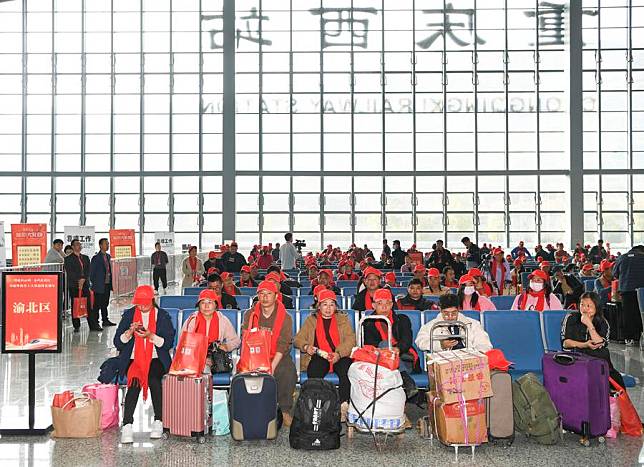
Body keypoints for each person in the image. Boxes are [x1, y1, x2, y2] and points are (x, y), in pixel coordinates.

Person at [114, 285, 176, 444]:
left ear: (152, 301)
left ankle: (159, 421)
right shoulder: (129, 315)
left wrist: (151, 336)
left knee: (154, 380)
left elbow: (167, 343)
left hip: (156, 358)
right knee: (134, 383)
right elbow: (118, 343)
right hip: (133, 359)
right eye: (139, 304)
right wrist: (128, 334)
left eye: (145, 303)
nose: (141, 307)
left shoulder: (161, 316)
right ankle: (127, 424)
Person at [241, 280, 297, 426]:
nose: (265, 297)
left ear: (276, 296)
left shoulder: (286, 317)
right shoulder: (250, 314)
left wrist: (271, 366)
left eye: (269, 294)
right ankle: (252, 409)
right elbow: (246, 338)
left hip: (278, 356)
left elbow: (283, 344)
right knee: (245, 372)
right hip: (255, 355)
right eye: (261, 294)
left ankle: (284, 410)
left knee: (287, 372)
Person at [294, 290, 356, 420]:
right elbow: (298, 339)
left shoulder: (343, 319)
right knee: (314, 371)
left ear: (336, 307)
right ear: (319, 306)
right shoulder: (311, 320)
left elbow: (351, 340)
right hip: (319, 355)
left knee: (347, 370)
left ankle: (343, 405)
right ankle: (316, 405)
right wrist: (306, 347)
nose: (328, 308)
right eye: (325, 304)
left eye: (331, 304)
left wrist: (338, 354)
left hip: (339, 354)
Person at [362, 288, 420, 407]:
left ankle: (402, 378)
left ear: (392, 304)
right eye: (379, 303)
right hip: (380, 361)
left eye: (387, 303)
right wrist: (386, 351)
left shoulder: (402, 319)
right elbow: (370, 344)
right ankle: (404, 379)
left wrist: (397, 349)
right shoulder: (368, 322)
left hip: (403, 358)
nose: (384, 307)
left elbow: (406, 340)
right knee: (384, 344)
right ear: (373, 305)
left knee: (386, 346)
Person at [561, 292, 625, 388]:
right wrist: (584, 345)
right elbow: (566, 343)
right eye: (582, 304)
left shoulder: (603, 322)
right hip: (575, 358)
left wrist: (589, 325)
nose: (585, 309)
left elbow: (599, 343)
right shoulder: (571, 318)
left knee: (615, 379)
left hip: (598, 362)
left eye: (589, 306)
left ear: (597, 307)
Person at [182, 289, 240, 373]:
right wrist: (202, 359)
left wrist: (227, 346)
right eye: (203, 303)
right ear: (199, 306)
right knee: (205, 369)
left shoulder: (222, 320)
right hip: (193, 358)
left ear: (216, 305)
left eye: (210, 302)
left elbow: (236, 341)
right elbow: (184, 344)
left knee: (206, 369)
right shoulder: (192, 320)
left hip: (215, 359)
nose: (206, 306)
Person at [416, 294, 493, 353]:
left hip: (469, 360)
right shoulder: (431, 326)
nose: (450, 317)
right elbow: (420, 341)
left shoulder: (472, 324)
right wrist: (440, 345)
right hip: (444, 362)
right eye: (446, 313)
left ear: (458, 309)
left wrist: (476, 355)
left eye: (453, 313)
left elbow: (484, 343)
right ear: (440, 310)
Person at [612, 245, 644, 346]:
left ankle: (629, 338)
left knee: (628, 314)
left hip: (626, 290)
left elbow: (615, 274)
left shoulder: (622, 258)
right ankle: (640, 335)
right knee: (641, 313)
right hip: (641, 290)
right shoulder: (642, 257)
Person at [64, 239, 94, 332]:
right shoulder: (68, 259)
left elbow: (88, 270)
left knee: (88, 304)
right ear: (72, 247)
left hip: (85, 284)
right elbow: (70, 272)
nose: (79, 246)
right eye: (77, 244)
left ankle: (92, 325)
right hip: (74, 285)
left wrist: (83, 279)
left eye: (80, 244)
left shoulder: (85, 257)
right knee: (75, 305)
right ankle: (76, 325)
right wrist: (78, 280)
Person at [89, 238, 116, 329]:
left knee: (105, 303)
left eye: (108, 244)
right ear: (100, 245)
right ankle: (95, 322)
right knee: (97, 305)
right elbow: (91, 273)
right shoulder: (96, 258)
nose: (107, 245)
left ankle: (105, 320)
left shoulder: (108, 256)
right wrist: (94, 283)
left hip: (107, 284)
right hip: (99, 285)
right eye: (106, 244)